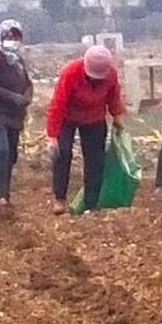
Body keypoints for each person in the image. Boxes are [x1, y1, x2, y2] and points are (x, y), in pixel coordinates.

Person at [46, 44, 125, 214]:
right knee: (62, 153)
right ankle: (59, 198)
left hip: (94, 118)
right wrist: (52, 137)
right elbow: (57, 105)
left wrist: (118, 118)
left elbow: (114, 97)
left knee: (95, 160)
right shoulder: (70, 72)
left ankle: (92, 202)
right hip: (68, 117)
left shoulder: (111, 74)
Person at [0, 20, 35, 206]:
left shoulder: (18, 61)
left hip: (14, 115)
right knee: (0, 149)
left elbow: (27, 83)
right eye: (8, 36)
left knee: (11, 155)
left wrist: (27, 96)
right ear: (1, 37)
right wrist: (12, 97)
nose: (12, 40)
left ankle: (6, 191)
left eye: (16, 36)